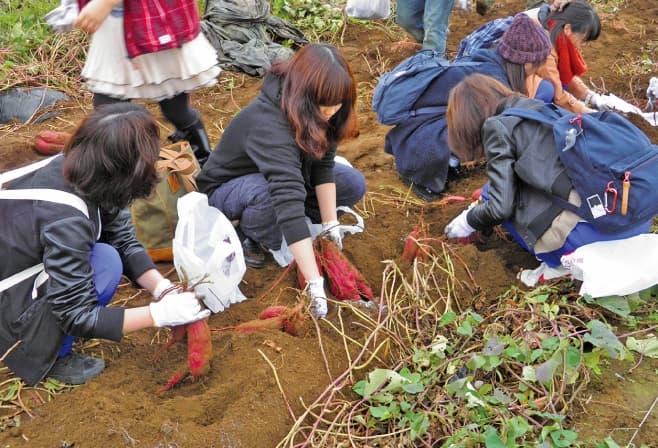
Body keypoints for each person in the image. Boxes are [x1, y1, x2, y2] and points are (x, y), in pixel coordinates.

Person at [0, 103, 211, 387]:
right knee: (105, 265)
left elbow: (122, 237)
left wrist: (162, 288)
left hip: (15, 272)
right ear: (125, 170)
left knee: (109, 254)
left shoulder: (85, 171)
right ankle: (46, 355)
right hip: (7, 306)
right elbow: (74, 313)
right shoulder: (66, 218)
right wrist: (158, 314)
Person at [196, 43, 366, 319]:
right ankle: (248, 232)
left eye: (339, 103)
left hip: (280, 179)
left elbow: (323, 165)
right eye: (326, 104)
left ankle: (286, 227)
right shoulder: (269, 122)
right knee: (271, 198)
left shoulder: (324, 109)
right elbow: (287, 196)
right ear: (306, 95)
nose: (333, 110)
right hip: (229, 193)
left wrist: (329, 224)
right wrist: (315, 283)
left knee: (351, 183)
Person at [443, 74, 652, 269]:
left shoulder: (496, 126)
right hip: (632, 221)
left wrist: (469, 221)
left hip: (595, 242)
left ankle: (556, 261)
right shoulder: (538, 109)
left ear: (468, 121)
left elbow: (500, 208)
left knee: (504, 204)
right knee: (498, 192)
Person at [383, 12, 556, 202]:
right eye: (538, 64)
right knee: (488, 127)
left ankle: (445, 161)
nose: (538, 70)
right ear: (527, 63)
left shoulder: (491, 61)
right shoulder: (491, 82)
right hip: (419, 143)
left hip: (420, 130)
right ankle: (426, 174)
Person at [71, 0, 220, 166]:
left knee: (175, 110)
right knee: (107, 112)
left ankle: (202, 158)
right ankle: (116, 170)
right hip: (118, 25)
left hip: (154, 21)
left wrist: (104, 3)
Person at [457, 0, 602, 114]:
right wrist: (589, 113)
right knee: (546, 90)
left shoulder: (553, 20)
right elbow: (558, 92)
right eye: (584, 40)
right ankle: (520, 116)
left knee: (552, 84)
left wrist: (590, 97)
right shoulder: (544, 41)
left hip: (502, 68)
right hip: (488, 80)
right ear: (568, 29)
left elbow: (563, 74)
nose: (584, 45)